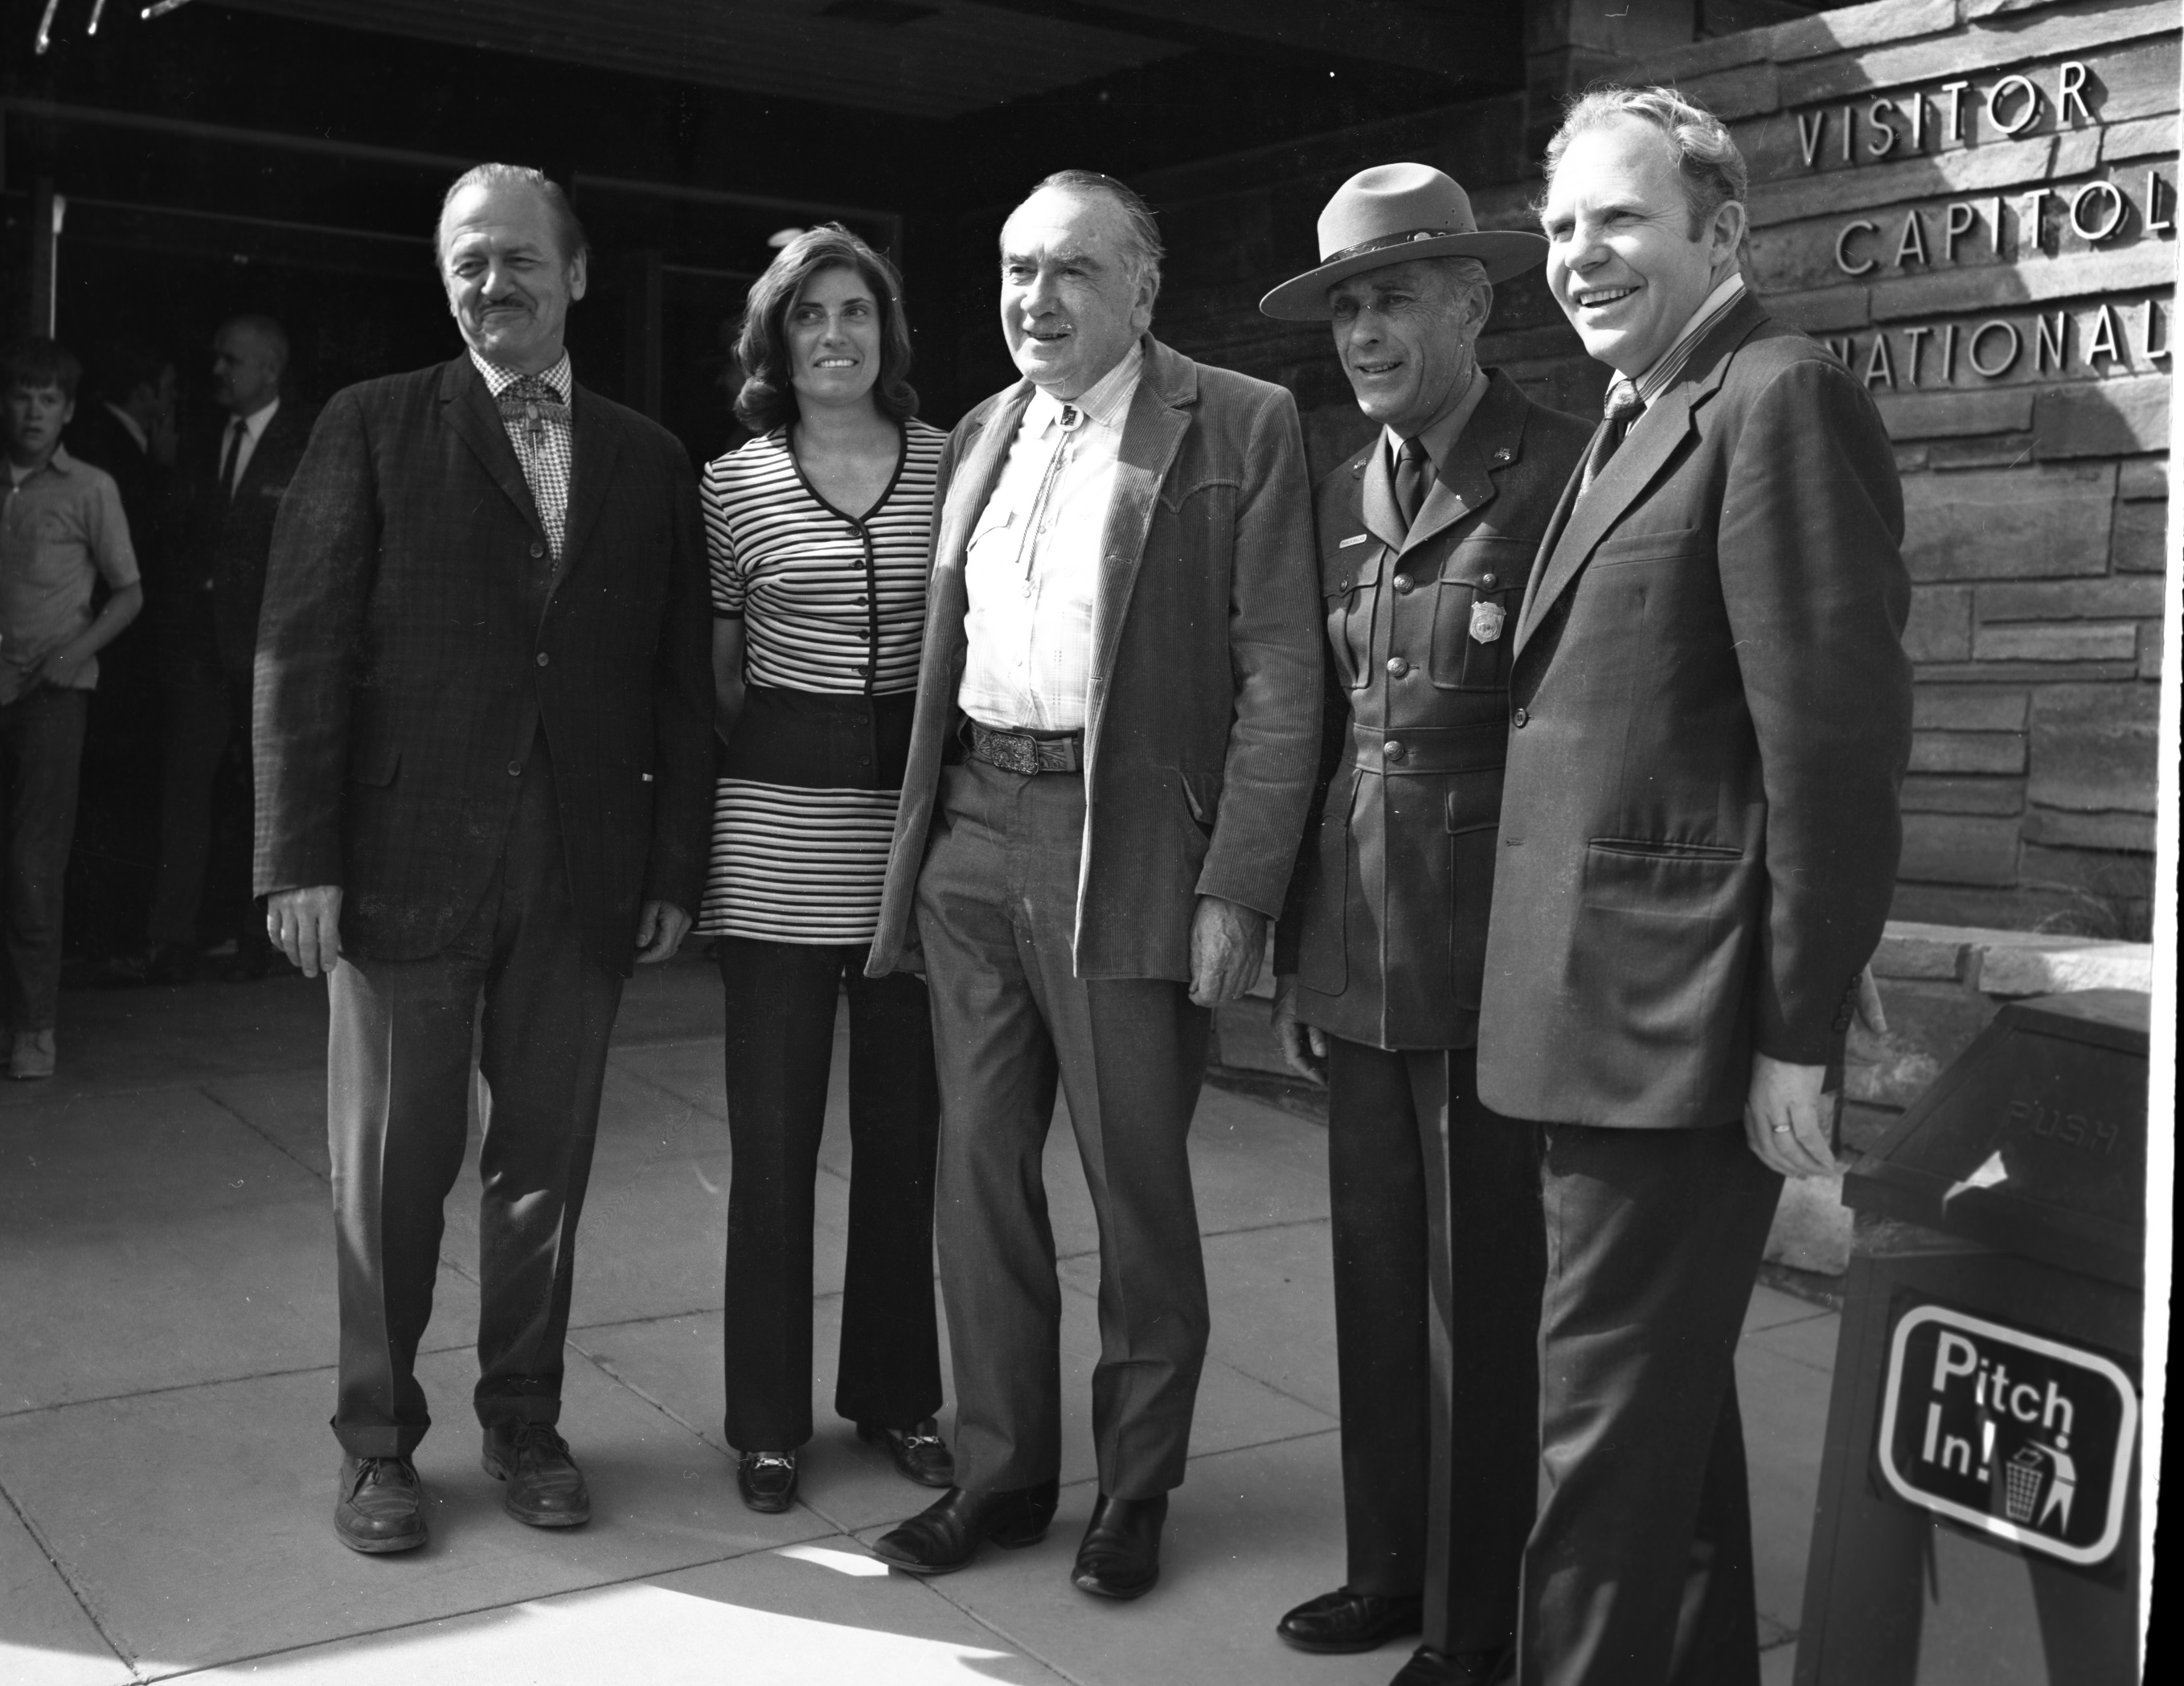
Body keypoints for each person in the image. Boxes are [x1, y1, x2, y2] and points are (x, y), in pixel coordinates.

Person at [1478, 88, 1912, 1684]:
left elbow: (1830, 753)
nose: (1575, 256)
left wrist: (1793, 1030)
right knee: (1655, 1434)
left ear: (1718, 229)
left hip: (1674, 1033)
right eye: (1556, 226)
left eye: (1615, 220)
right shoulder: (1638, 405)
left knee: (1592, 1465)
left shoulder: (1774, 396)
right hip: (1591, 1018)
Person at [865, 170, 1321, 1600]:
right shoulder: (986, 431)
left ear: (1142, 285)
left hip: (1125, 844)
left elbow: (1283, 676)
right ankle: (998, 1474)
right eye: (1014, 270)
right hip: (974, 833)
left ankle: (1135, 1489)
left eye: (1069, 270)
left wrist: (1236, 886)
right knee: (976, 1173)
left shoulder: (1237, 420)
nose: (1034, 300)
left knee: (1135, 1187)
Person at [253, 163, 712, 1554]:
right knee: (391, 1172)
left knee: (543, 1171)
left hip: (578, 870)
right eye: (467, 260)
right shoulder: (372, 427)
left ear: (575, 276)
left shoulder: (647, 457)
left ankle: (524, 1418)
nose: (491, 283)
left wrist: (671, 869)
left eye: (519, 258)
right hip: (401, 865)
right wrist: (296, 857)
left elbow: (678, 683)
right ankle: (379, 1443)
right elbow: (300, 651)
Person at [1256, 164, 1591, 1686]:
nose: (1366, 329)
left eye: (1395, 294)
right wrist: (1297, 948)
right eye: (1346, 306)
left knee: (1479, 1302)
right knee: (1376, 1279)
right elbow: (1333, 735)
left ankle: (1474, 1621)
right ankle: (1386, 1565)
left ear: (1475, 297)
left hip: (1483, 959)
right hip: (1360, 950)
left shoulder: (1560, 470)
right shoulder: (1345, 484)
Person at [699, 224, 950, 1516]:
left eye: (857, 311)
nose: (837, 334)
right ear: (776, 340)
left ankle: (899, 1399)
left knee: (905, 1135)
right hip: (774, 842)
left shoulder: (952, 465)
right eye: (811, 316)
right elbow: (722, 675)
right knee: (775, 1137)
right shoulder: (731, 485)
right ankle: (766, 1422)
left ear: (885, 334)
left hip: (910, 848)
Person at [109, 315, 314, 984]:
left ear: (268, 371)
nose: (218, 372)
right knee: (186, 787)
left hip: (269, 649)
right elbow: (175, 533)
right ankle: (171, 940)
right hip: (198, 647)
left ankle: (263, 942)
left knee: (269, 797)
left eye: (231, 361)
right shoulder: (197, 437)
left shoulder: (307, 440)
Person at [0, 336, 143, 1079]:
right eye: (22, 394)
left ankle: (34, 1031)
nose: (33, 410)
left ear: (68, 411)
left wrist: (73, 651)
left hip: (51, 698)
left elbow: (129, 592)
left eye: (48, 399)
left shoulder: (90, 488)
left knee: (31, 867)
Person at [63, 339, 175, 964]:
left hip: (100, 654)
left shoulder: (100, 444)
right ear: (144, 392)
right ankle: (104, 938)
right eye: (167, 386)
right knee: (111, 798)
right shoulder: (117, 455)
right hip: (114, 657)